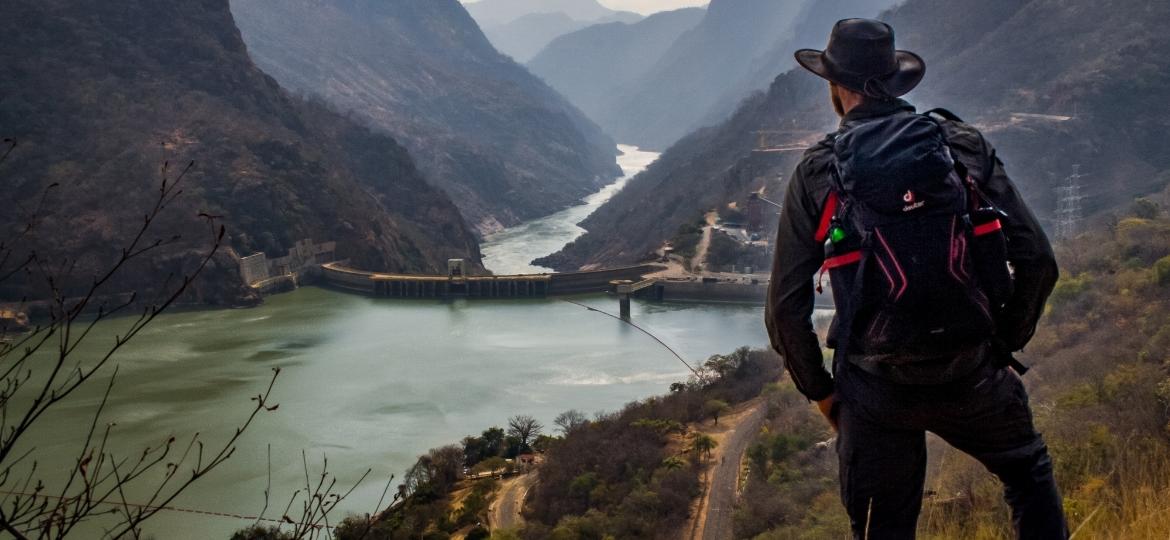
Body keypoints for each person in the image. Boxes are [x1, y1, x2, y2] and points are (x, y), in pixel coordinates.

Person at [764, 18, 1068, 539]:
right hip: (972, 370)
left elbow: (784, 308)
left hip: (875, 386)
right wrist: (1002, 344)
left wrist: (822, 393)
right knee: (1028, 476)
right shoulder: (960, 146)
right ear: (896, 80)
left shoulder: (818, 170)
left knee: (883, 528)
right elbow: (1038, 258)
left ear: (837, 87)